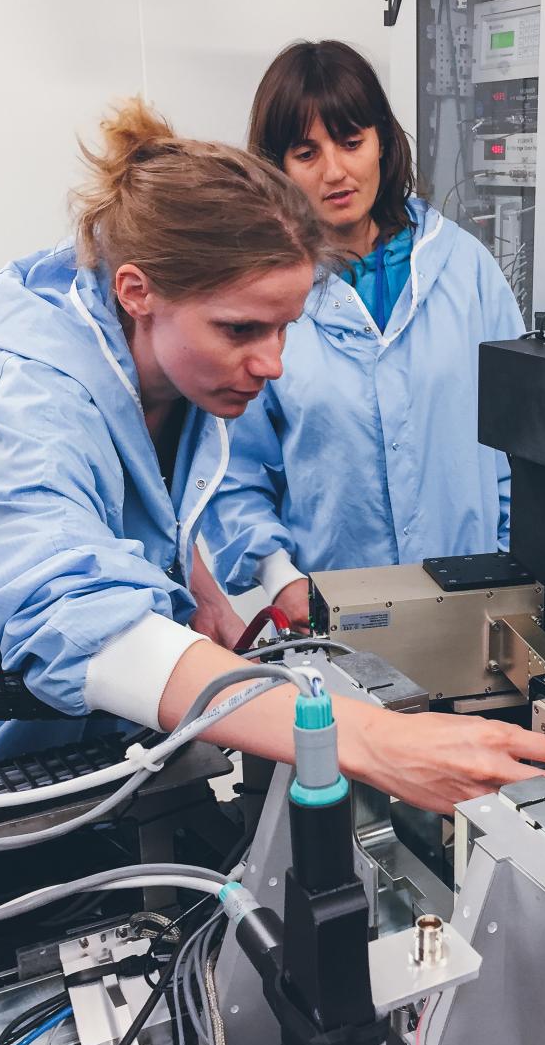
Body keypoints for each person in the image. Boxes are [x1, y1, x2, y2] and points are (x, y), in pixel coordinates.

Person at [0, 99, 545, 815]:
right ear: (137, 290)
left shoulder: (175, 378)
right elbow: (69, 611)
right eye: (242, 329)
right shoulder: (15, 405)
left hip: (81, 771)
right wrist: (377, 741)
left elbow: (130, 499)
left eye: (285, 327)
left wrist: (199, 588)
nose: (272, 363)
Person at [198, 41, 521, 629]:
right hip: (331, 622)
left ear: (382, 141)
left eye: (351, 142)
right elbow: (230, 472)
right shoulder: (259, 301)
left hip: (477, 611)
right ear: (277, 167)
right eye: (306, 152)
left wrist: (508, 562)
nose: (335, 172)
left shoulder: (466, 269)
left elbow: (519, 444)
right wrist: (282, 580)